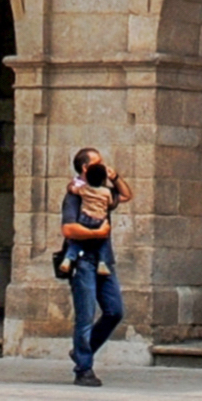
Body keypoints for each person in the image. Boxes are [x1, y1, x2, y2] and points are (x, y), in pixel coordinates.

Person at [57, 147, 130, 387]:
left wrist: (115, 177)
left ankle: (82, 352)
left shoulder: (103, 192)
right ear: (85, 168)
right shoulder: (76, 194)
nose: (102, 165)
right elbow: (68, 229)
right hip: (82, 261)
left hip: (104, 260)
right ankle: (83, 368)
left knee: (114, 311)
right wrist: (96, 232)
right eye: (97, 163)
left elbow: (127, 195)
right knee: (85, 316)